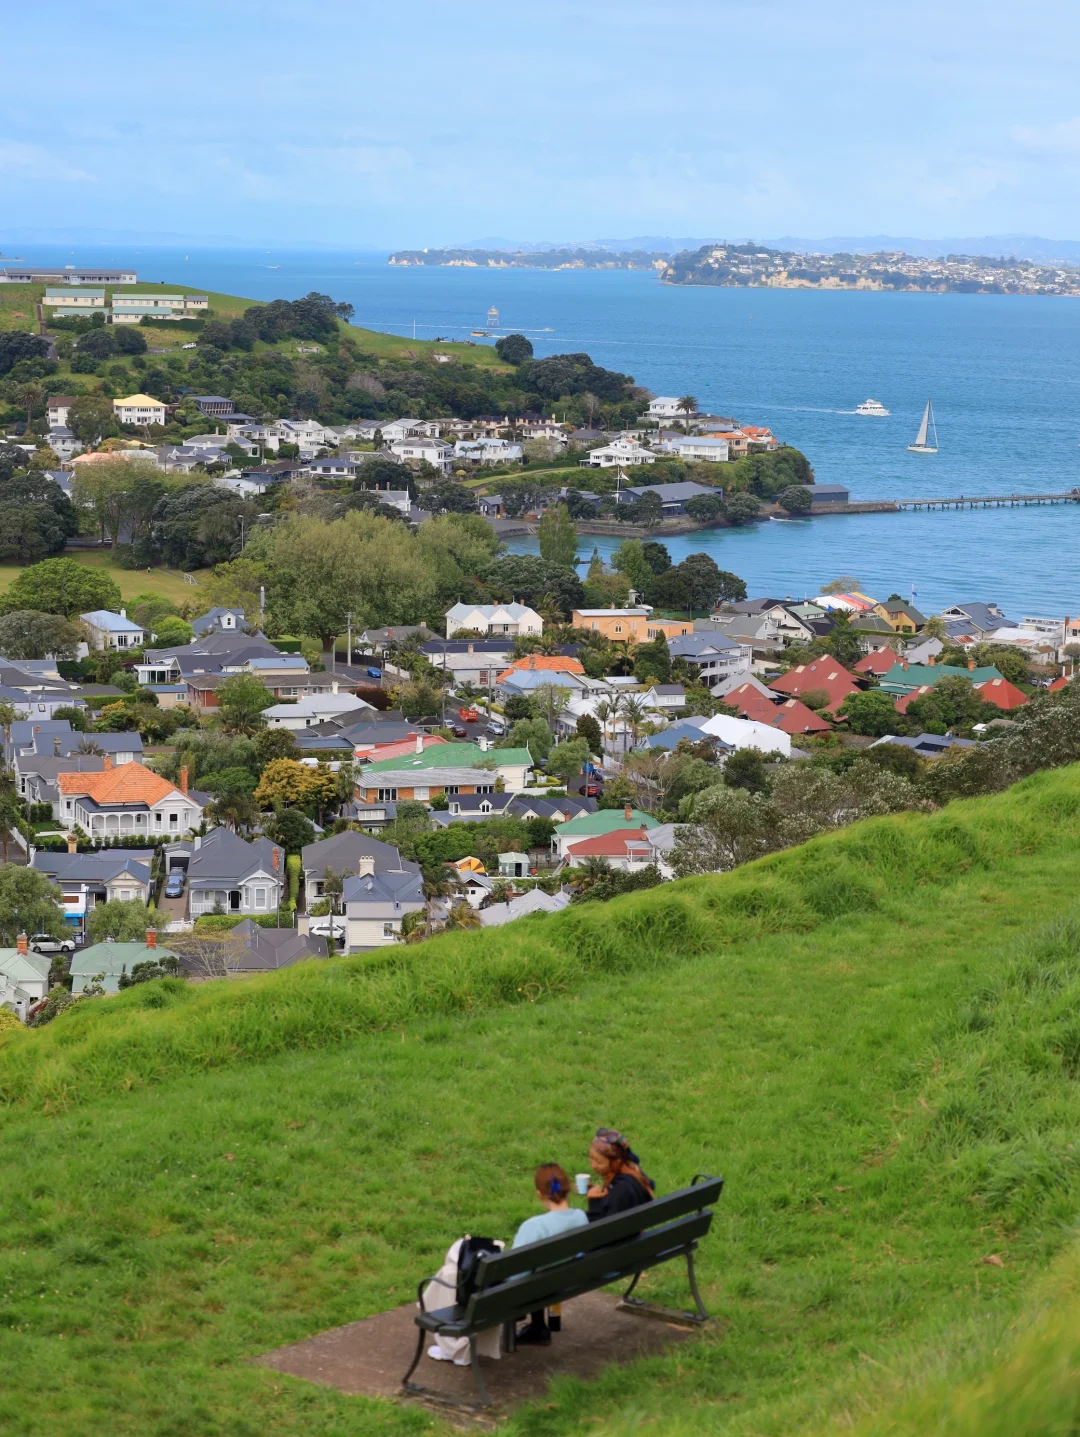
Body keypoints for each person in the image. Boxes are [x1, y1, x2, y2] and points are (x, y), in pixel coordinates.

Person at [512, 1163, 588, 1346]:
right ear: (568, 1189)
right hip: (566, 1281)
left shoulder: (534, 1227)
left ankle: (535, 1327)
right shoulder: (581, 1217)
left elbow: (515, 1274)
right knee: (540, 1273)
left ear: (539, 1194)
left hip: (533, 1289)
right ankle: (538, 1327)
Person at [585, 1126, 655, 1221]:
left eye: (599, 1162)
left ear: (616, 1162)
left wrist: (594, 1200)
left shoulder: (621, 1190)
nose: (593, 1165)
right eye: (591, 1158)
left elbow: (601, 1227)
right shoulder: (633, 1170)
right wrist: (595, 1191)